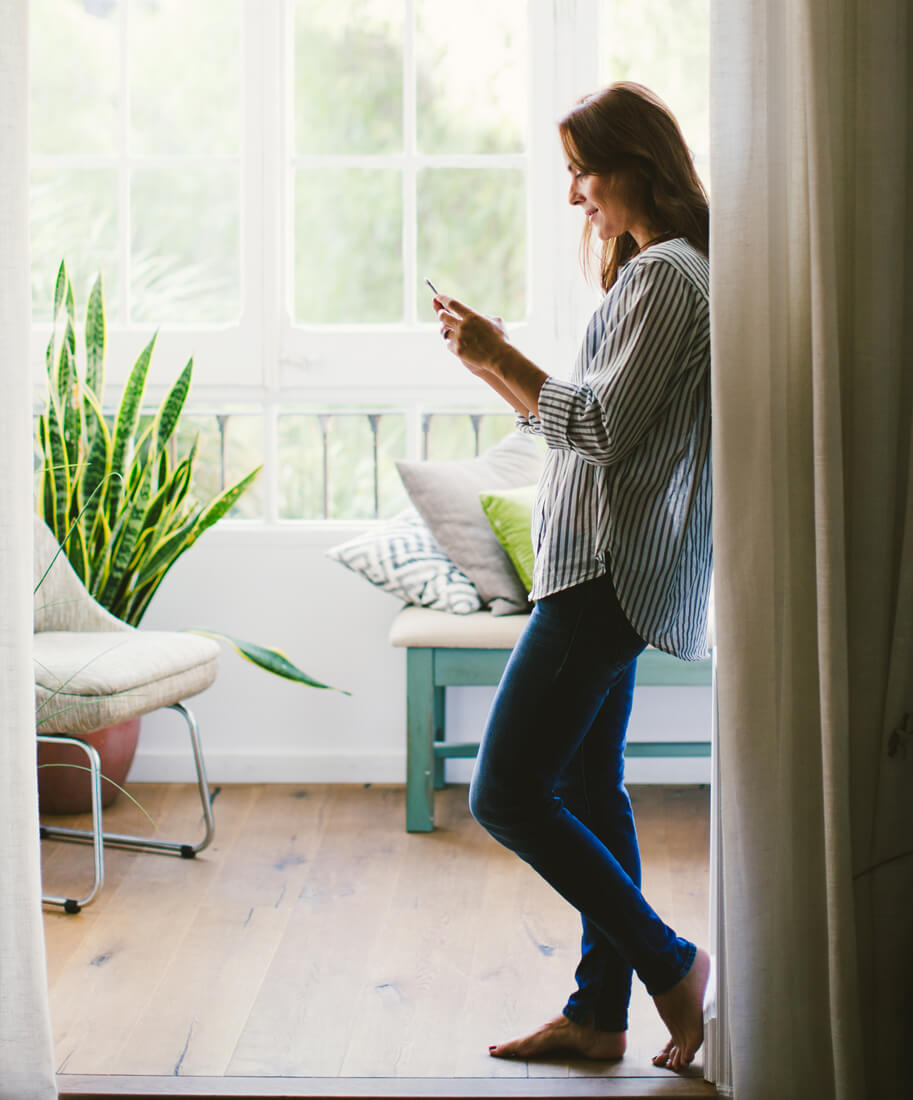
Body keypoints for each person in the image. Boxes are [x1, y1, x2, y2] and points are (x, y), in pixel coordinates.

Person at [432, 82, 712, 1074]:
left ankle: (670, 964)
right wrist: (492, 367)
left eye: (580, 172)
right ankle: (598, 1016)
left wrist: (501, 352)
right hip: (595, 569)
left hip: (601, 578)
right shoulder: (655, 274)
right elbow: (593, 421)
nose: (573, 197)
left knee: (505, 789)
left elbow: (600, 428)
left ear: (637, 164)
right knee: (593, 790)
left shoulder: (669, 278)